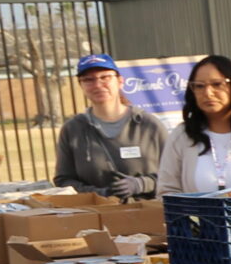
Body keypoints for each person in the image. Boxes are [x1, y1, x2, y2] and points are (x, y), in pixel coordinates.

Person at [52, 54, 164, 197]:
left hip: (149, 213)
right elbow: (63, 180)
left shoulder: (149, 125)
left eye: (105, 77)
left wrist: (142, 184)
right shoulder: (72, 129)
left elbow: (175, 174)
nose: (98, 85)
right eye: (88, 80)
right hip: (97, 213)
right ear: (81, 85)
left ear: (120, 81)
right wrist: (98, 194)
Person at [155, 55, 231, 194]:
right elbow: (166, 190)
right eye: (199, 86)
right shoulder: (182, 135)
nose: (208, 93)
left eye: (217, 84)